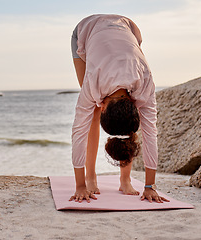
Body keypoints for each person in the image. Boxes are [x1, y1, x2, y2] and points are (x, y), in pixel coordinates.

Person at [69, 14, 169, 203]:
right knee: (91, 112)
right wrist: (80, 185)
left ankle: (125, 179)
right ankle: (90, 177)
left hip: (127, 27)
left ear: (134, 102)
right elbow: (78, 132)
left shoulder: (144, 85)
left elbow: (150, 133)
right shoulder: (92, 85)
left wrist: (150, 186)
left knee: (127, 123)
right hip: (85, 30)